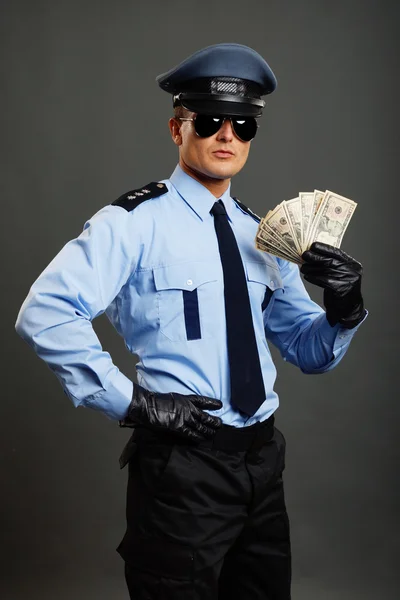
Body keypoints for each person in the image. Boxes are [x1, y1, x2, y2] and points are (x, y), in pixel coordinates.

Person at [15, 43, 367, 600]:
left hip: (262, 465)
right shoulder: (130, 224)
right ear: (177, 129)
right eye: (209, 121)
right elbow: (46, 313)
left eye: (243, 125)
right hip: (184, 468)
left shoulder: (267, 236)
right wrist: (133, 403)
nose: (227, 135)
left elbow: (307, 350)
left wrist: (345, 309)